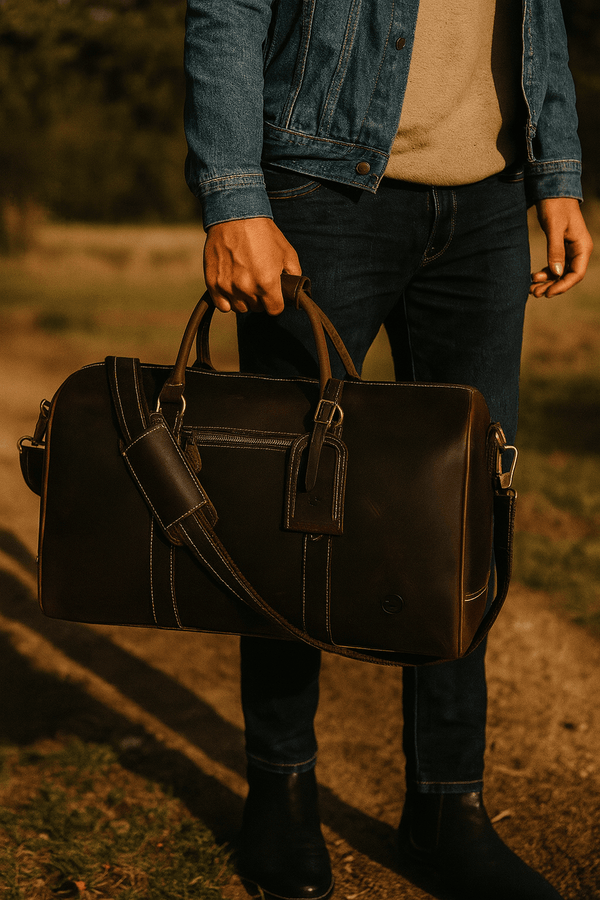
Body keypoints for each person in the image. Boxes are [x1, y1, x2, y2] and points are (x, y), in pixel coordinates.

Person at [183, 1, 593, 898]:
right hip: (320, 192)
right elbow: (230, 7)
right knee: (294, 503)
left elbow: (540, 16)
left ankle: (448, 805)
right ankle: (281, 786)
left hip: (486, 203)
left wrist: (557, 172)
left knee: (463, 518)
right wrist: (232, 194)